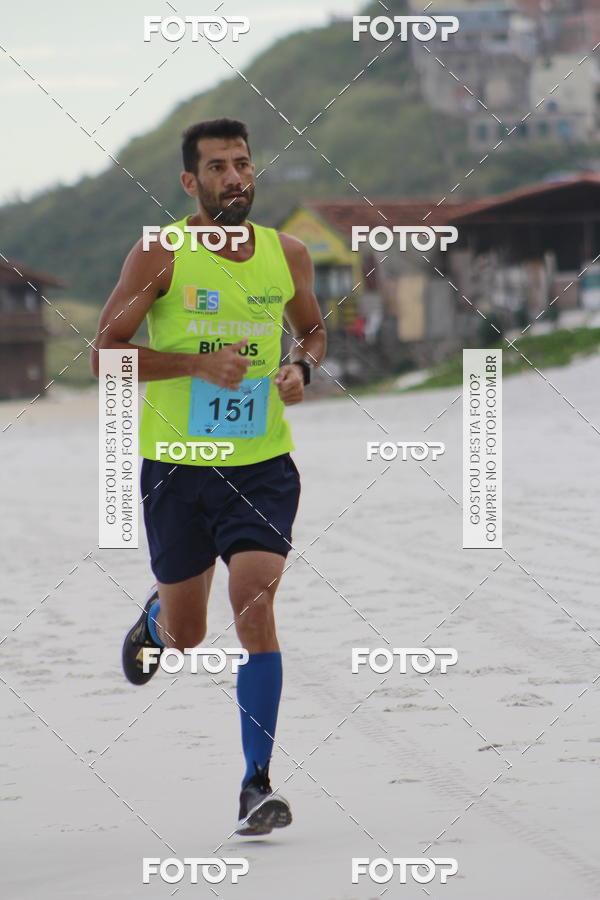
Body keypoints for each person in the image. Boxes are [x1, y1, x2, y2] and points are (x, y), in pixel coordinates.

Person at [91, 117, 326, 835]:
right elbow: (107, 354)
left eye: (243, 164)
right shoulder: (159, 253)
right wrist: (194, 363)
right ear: (190, 183)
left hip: (260, 468)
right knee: (190, 633)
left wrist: (301, 366)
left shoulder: (288, 253)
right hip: (177, 473)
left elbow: (312, 328)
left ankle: (257, 784)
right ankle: (159, 617)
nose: (235, 178)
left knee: (254, 599)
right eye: (218, 167)